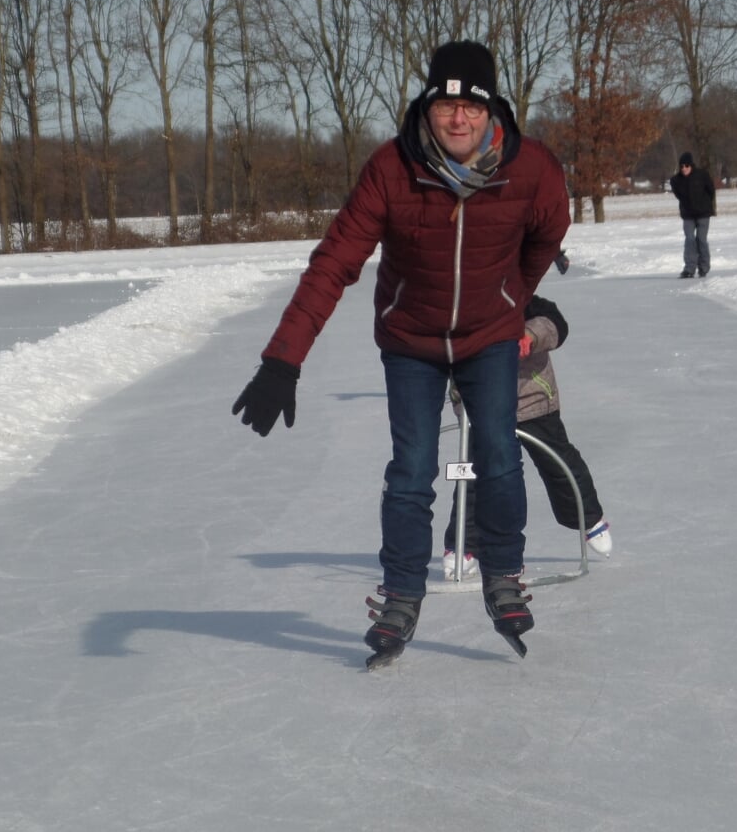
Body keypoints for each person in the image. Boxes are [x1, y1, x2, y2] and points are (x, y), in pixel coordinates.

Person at [231, 40, 570, 661]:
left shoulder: (533, 170)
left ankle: (503, 577)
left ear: (493, 110)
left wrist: (513, 291)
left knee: (498, 452)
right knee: (411, 469)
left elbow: (550, 229)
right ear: (428, 106)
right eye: (446, 106)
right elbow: (334, 262)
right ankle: (403, 593)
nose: (458, 119)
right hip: (411, 339)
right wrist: (283, 359)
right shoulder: (393, 168)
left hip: (489, 334)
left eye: (471, 107)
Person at [441, 292, 613, 581]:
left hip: (532, 401)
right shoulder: (455, 302)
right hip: (479, 409)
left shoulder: (521, 298)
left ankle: (589, 518)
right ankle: (464, 545)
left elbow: (554, 324)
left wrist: (530, 335)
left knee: (559, 465)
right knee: (473, 477)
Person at [670, 151, 716, 278]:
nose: (684, 168)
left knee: (701, 239)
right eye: (681, 166)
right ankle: (689, 268)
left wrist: (705, 204)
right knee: (689, 239)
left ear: (691, 165)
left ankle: (704, 267)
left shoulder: (702, 175)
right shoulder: (676, 180)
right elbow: (678, 195)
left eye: (686, 166)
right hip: (688, 215)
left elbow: (711, 190)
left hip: (703, 214)